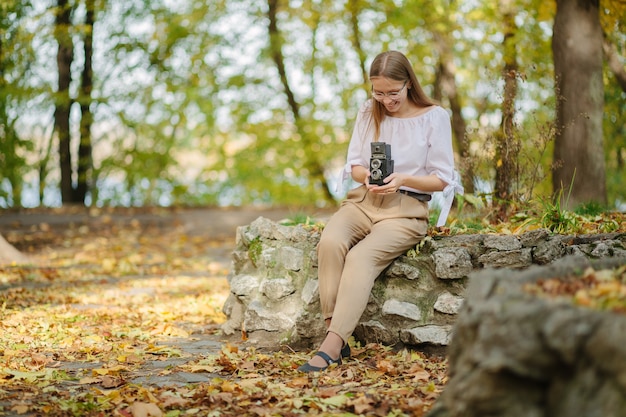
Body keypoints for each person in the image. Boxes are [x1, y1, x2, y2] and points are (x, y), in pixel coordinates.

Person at [298, 50, 461, 372]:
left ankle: (329, 345)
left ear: (408, 84)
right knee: (330, 243)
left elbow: (442, 179)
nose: (386, 100)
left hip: (406, 209)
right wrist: (371, 179)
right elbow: (355, 166)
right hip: (364, 200)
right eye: (378, 92)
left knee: (361, 258)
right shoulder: (367, 111)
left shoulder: (434, 116)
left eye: (393, 92)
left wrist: (402, 179)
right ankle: (337, 333)